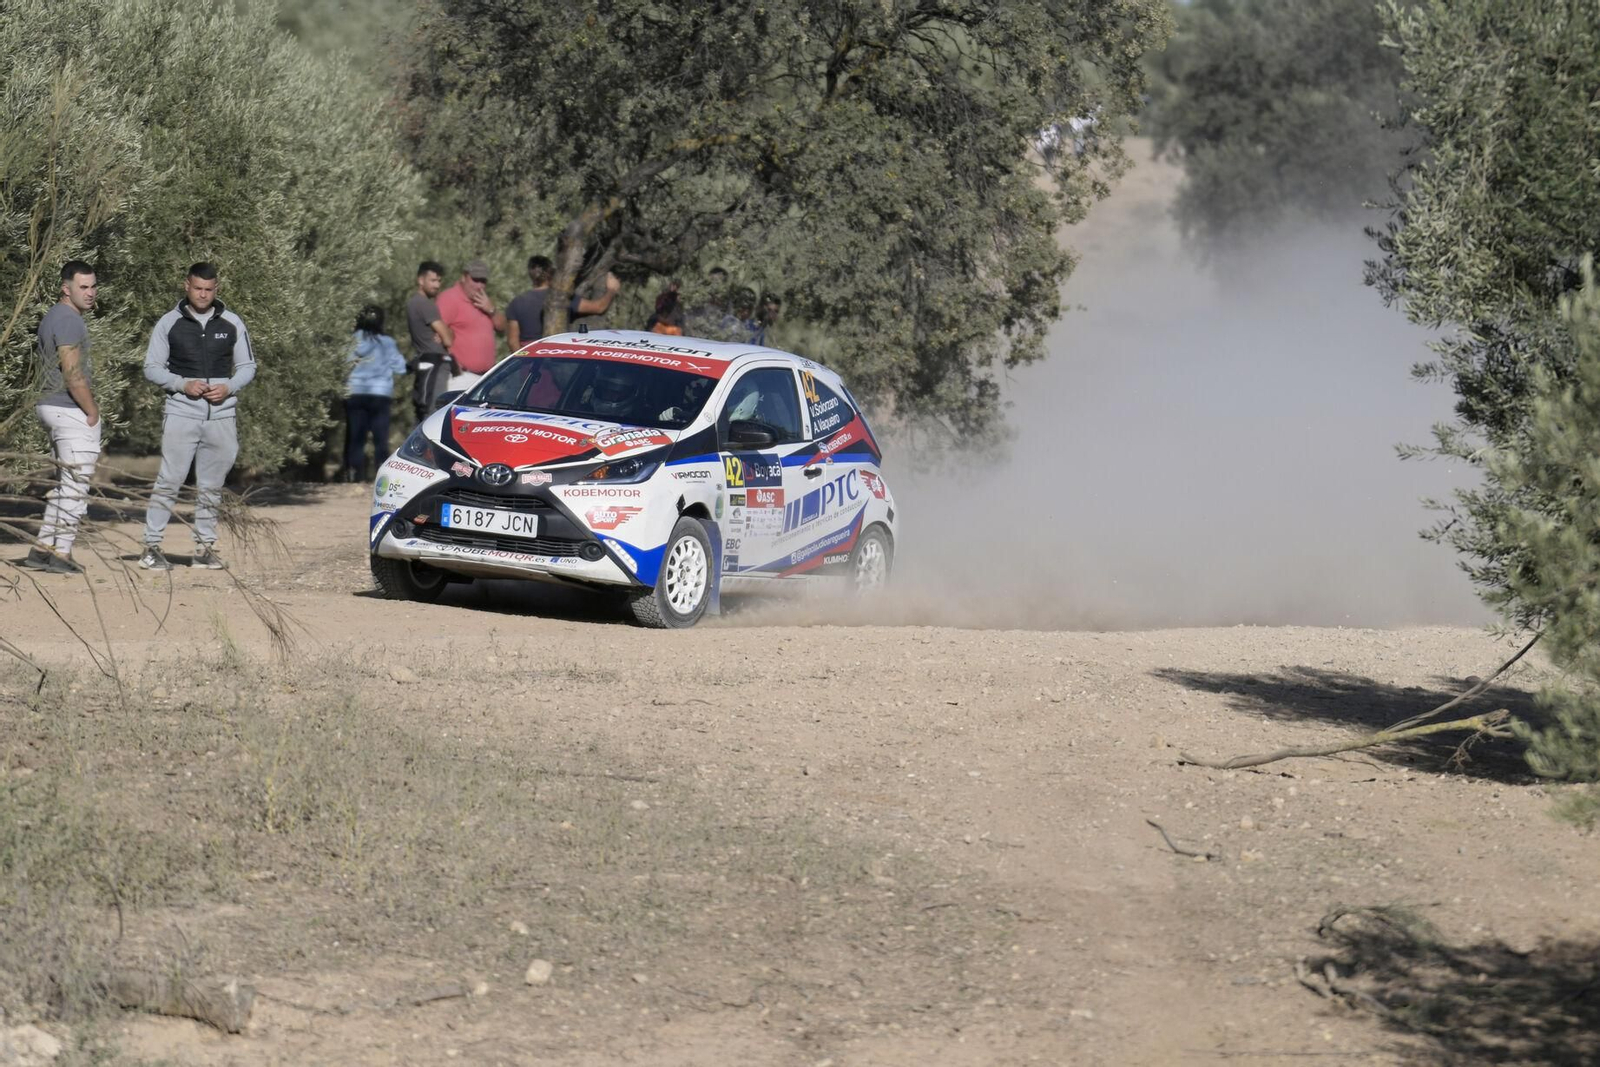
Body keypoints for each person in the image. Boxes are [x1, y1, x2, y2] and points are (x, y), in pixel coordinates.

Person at [139, 262, 256, 571]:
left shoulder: (232, 322)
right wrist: (182, 384)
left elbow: (247, 367)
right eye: (197, 288)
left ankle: (204, 549)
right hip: (181, 414)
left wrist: (229, 387)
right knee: (169, 480)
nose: (203, 294)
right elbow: (151, 367)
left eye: (208, 289)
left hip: (222, 417)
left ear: (216, 289)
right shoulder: (169, 323)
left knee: (211, 486)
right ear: (186, 286)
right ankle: (151, 547)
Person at [22, 261, 101, 574]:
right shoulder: (69, 320)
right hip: (68, 409)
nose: (90, 293)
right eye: (83, 287)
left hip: (50, 406)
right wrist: (92, 411)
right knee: (75, 486)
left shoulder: (54, 316)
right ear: (65, 289)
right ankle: (62, 554)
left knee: (64, 483)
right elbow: (72, 373)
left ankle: (42, 550)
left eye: (93, 286)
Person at [342, 305, 408, 483]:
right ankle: (381, 478)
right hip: (380, 394)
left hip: (355, 392)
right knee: (380, 439)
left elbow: (343, 364)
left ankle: (354, 476)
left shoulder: (352, 341)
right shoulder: (387, 342)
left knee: (356, 438)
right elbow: (400, 368)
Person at [506, 256, 623, 350]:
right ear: (551, 273)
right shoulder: (560, 298)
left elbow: (512, 342)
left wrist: (523, 360)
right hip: (555, 355)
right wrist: (611, 290)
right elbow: (599, 308)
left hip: (528, 358)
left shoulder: (517, 302)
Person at [436, 258, 506, 392]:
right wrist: (451, 363)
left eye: (483, 281)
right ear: (464, 277)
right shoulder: (449, 299)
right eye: (475, 280)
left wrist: (491, 310)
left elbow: (502, 327)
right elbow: (436, 335)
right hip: (461, 377)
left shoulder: (484, 301)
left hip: (486, 378)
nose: (479, 285)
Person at [406, 260, 454, 419]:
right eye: (433, 280)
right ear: (421, 280)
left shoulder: (413, 303)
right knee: (433, 413)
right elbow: (448, 340)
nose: (437, 285)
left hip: (425, 362)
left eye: (439, 281)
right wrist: (446, 333)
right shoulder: (425, 305)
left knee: (423, 409)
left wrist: (444, 333)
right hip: (435, 364)